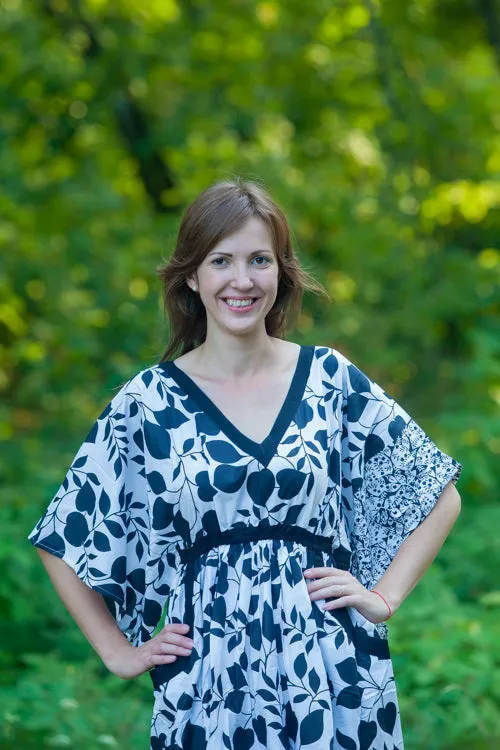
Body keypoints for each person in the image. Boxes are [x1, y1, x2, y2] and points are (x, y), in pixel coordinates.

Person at [29, 177, 462, 750]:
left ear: (281, 272)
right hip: (209, 684)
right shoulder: (149, 403)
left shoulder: (328, 380)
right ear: (192, 275)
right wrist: (117, 652)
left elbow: (437, 492)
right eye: (221, 260)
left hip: (335, 673)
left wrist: (385, 598)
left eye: (260, 260)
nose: (242, 280)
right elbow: (63, 535)